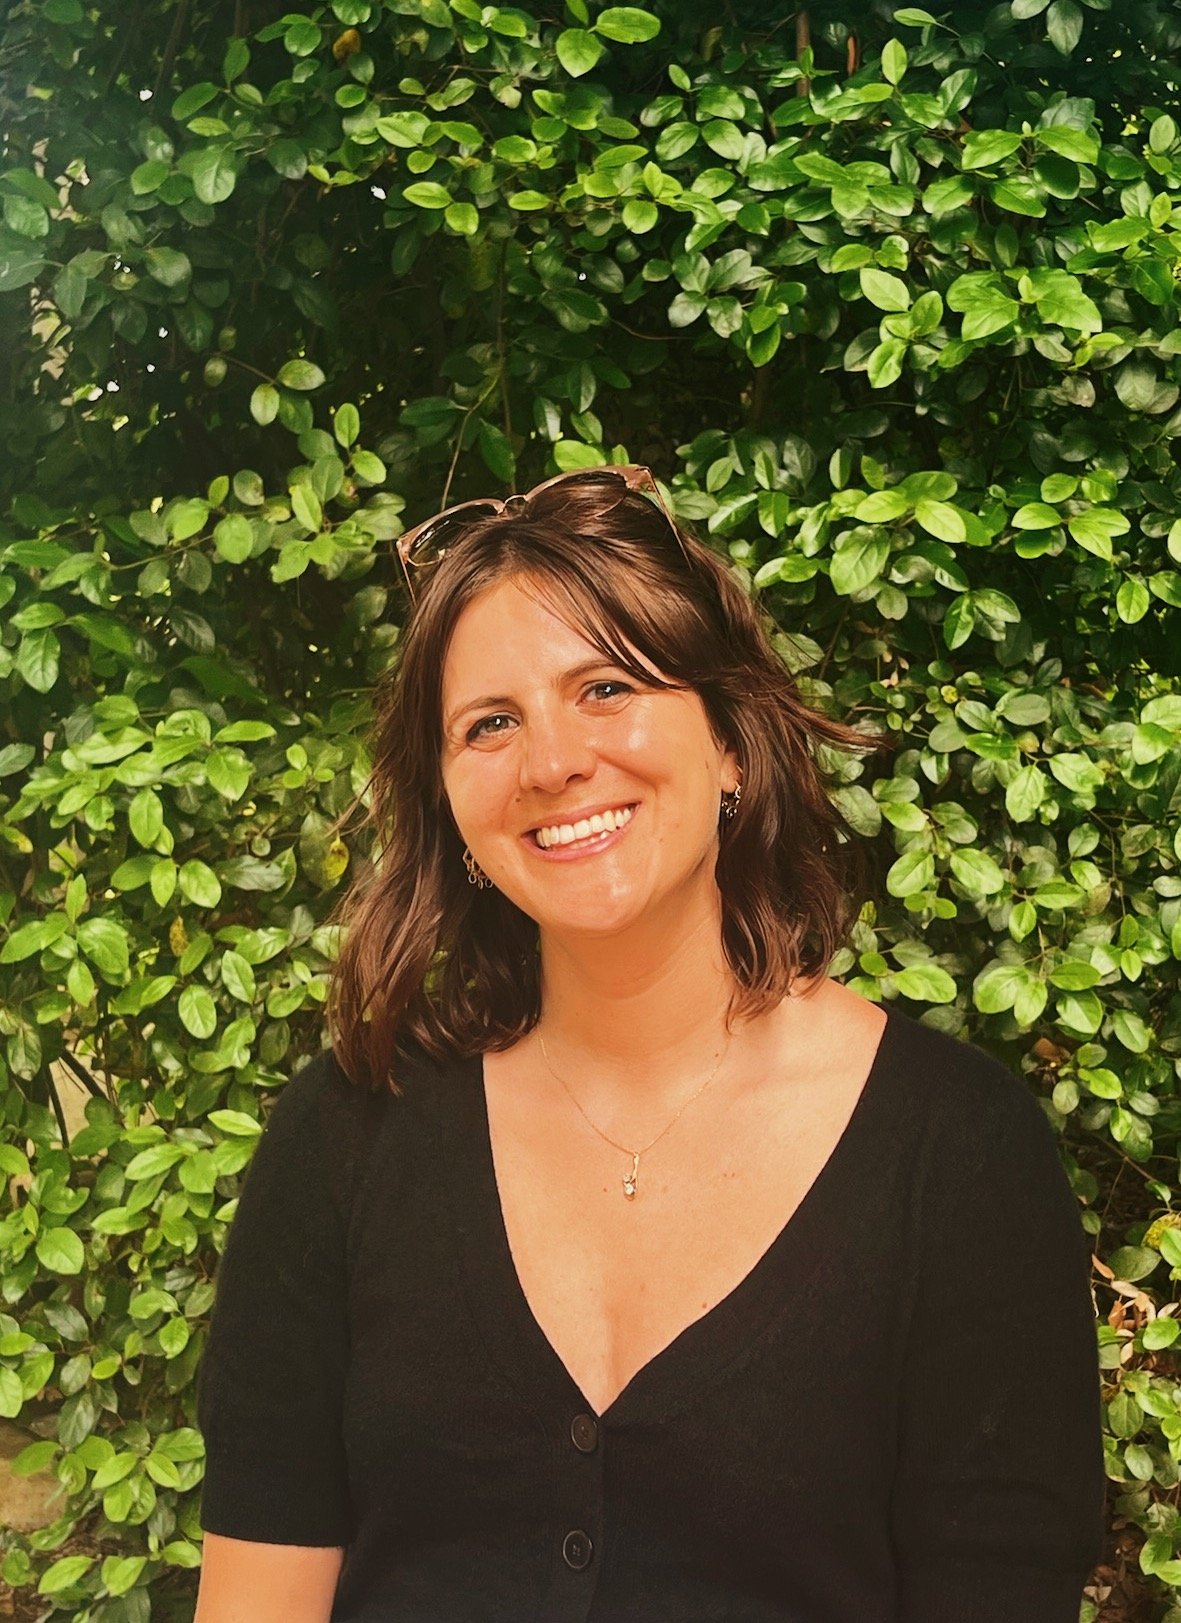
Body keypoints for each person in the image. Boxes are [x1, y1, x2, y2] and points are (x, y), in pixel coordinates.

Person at [194, 465, 1106, 1622]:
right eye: (489, 724)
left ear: (731, 743)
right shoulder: (346, 1136)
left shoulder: (957, 1157)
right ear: (452, 807)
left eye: (606, 686)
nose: (551, 762)